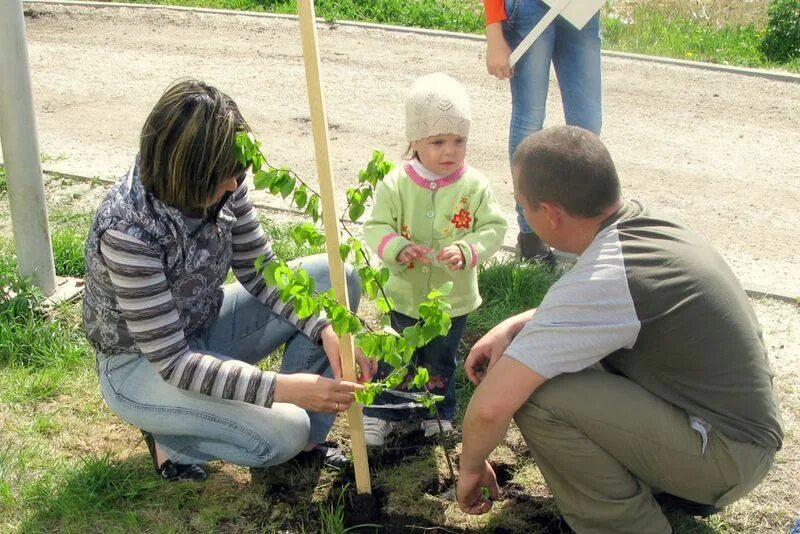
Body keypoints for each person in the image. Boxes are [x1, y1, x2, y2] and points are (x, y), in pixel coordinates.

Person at [456, 126, 783, 532]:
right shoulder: (644, 227)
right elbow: (601, 305)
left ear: (552, 214)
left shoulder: (607, 276)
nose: (521, 213)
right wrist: (515, 325)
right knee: (559, 361)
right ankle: (662, 482)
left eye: (522, 205)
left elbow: (491, 407)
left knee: (539, 395)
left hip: (726, 454)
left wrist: (470, 468)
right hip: (736, 435)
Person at [83, 79, 376, 481]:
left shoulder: (222, 183)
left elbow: (262, 271)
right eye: (224, 178)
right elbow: (175, 363)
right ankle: (172, 438)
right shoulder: (128, 232)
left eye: (236, 174)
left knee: (334, 279)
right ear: (187, 173)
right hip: (143, 365)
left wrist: (324, 326)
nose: (235, 186)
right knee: (285, 429)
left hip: (201, 324)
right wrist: (284, 387)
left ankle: (305, 446)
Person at [361, 72, 508, 447]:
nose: (450, 151)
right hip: (404, 294)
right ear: (415, 141)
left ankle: (436, 412)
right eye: (438, 141)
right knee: (398, 355)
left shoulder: (473, 186)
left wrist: (467, 249)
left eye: (459, 141)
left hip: (452, 300)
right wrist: (395, 247)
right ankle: (384, 412)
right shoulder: (396, 183)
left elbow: (492, 227)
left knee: (440, 358)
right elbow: (376, 226)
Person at [484, 0, 602, 263]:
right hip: (529, 8)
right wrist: (494, 30)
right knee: (530, 121)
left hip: (582, 7)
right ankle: (530, 232)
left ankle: (585, 226)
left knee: (589, 125)